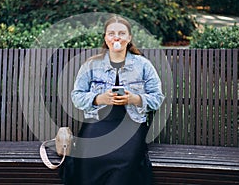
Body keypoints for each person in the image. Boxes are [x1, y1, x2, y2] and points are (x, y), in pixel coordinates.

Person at [62, 15, 165, 185]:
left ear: (129, 38)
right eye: (111, 33)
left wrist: (135, 99)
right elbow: (77, 96)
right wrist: (99, 98)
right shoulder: (91, 65)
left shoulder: (143, 65)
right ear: (105, 38)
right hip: (97, 122)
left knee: (125, 160)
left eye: (122, 33)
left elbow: (157, 97)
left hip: (131, 123)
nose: (116, 37)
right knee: (89, 158)